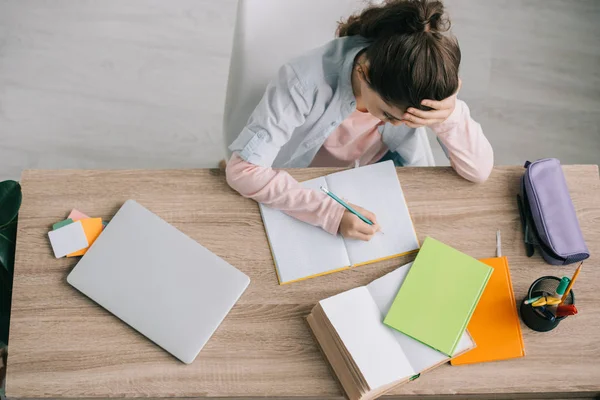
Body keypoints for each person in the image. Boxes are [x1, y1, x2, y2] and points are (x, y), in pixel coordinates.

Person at [226, 0, 493, 242]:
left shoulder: (412, 83)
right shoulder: (303, 81)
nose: (401, 125)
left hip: (379, 175)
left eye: (413, 119)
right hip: (308, 180)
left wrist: (450, 115)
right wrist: (330, 214)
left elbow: (479, 171)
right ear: (363, 72)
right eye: (389, 115)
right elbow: (242, 171)